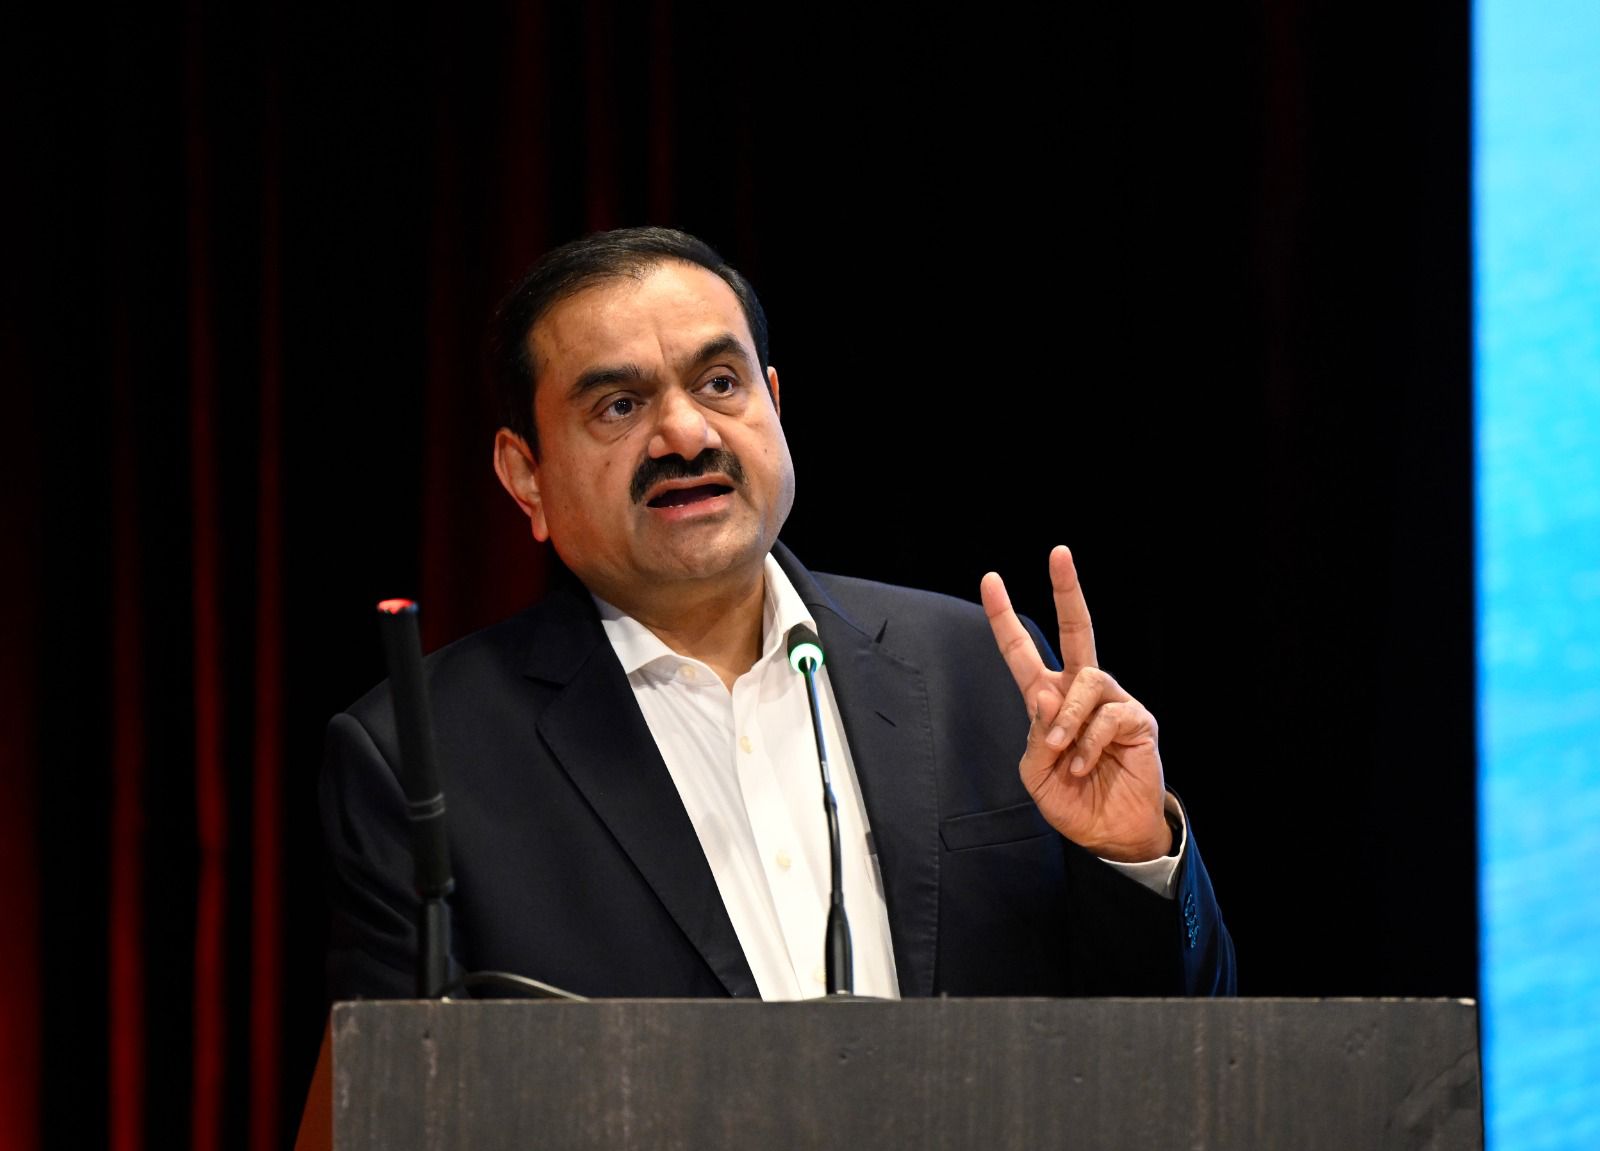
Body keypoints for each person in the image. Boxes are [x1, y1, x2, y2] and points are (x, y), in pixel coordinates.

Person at [321, 227, 1235, 1001]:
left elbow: (1171, 1052)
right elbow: (400, 1098)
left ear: (775, 402)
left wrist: (1134, 858)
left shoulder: (978, 673)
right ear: (526, 476)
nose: (687, 434)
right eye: (620, 404)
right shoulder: (422, 755)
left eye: (720, 383)